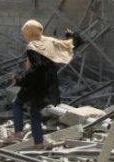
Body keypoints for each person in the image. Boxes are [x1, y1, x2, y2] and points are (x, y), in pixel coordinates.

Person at [8, 19, 81, 150]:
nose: (25, 36)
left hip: (36, 84)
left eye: (25, 33)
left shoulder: (32, 46)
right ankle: (39, 143)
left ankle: (18, 132)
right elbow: (70, 44)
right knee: (35, 111)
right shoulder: (49, 41)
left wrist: (20, 80)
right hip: (49, 83)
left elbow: (37, 67)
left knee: (18, 103)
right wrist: (71, 36)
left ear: (29, 32)